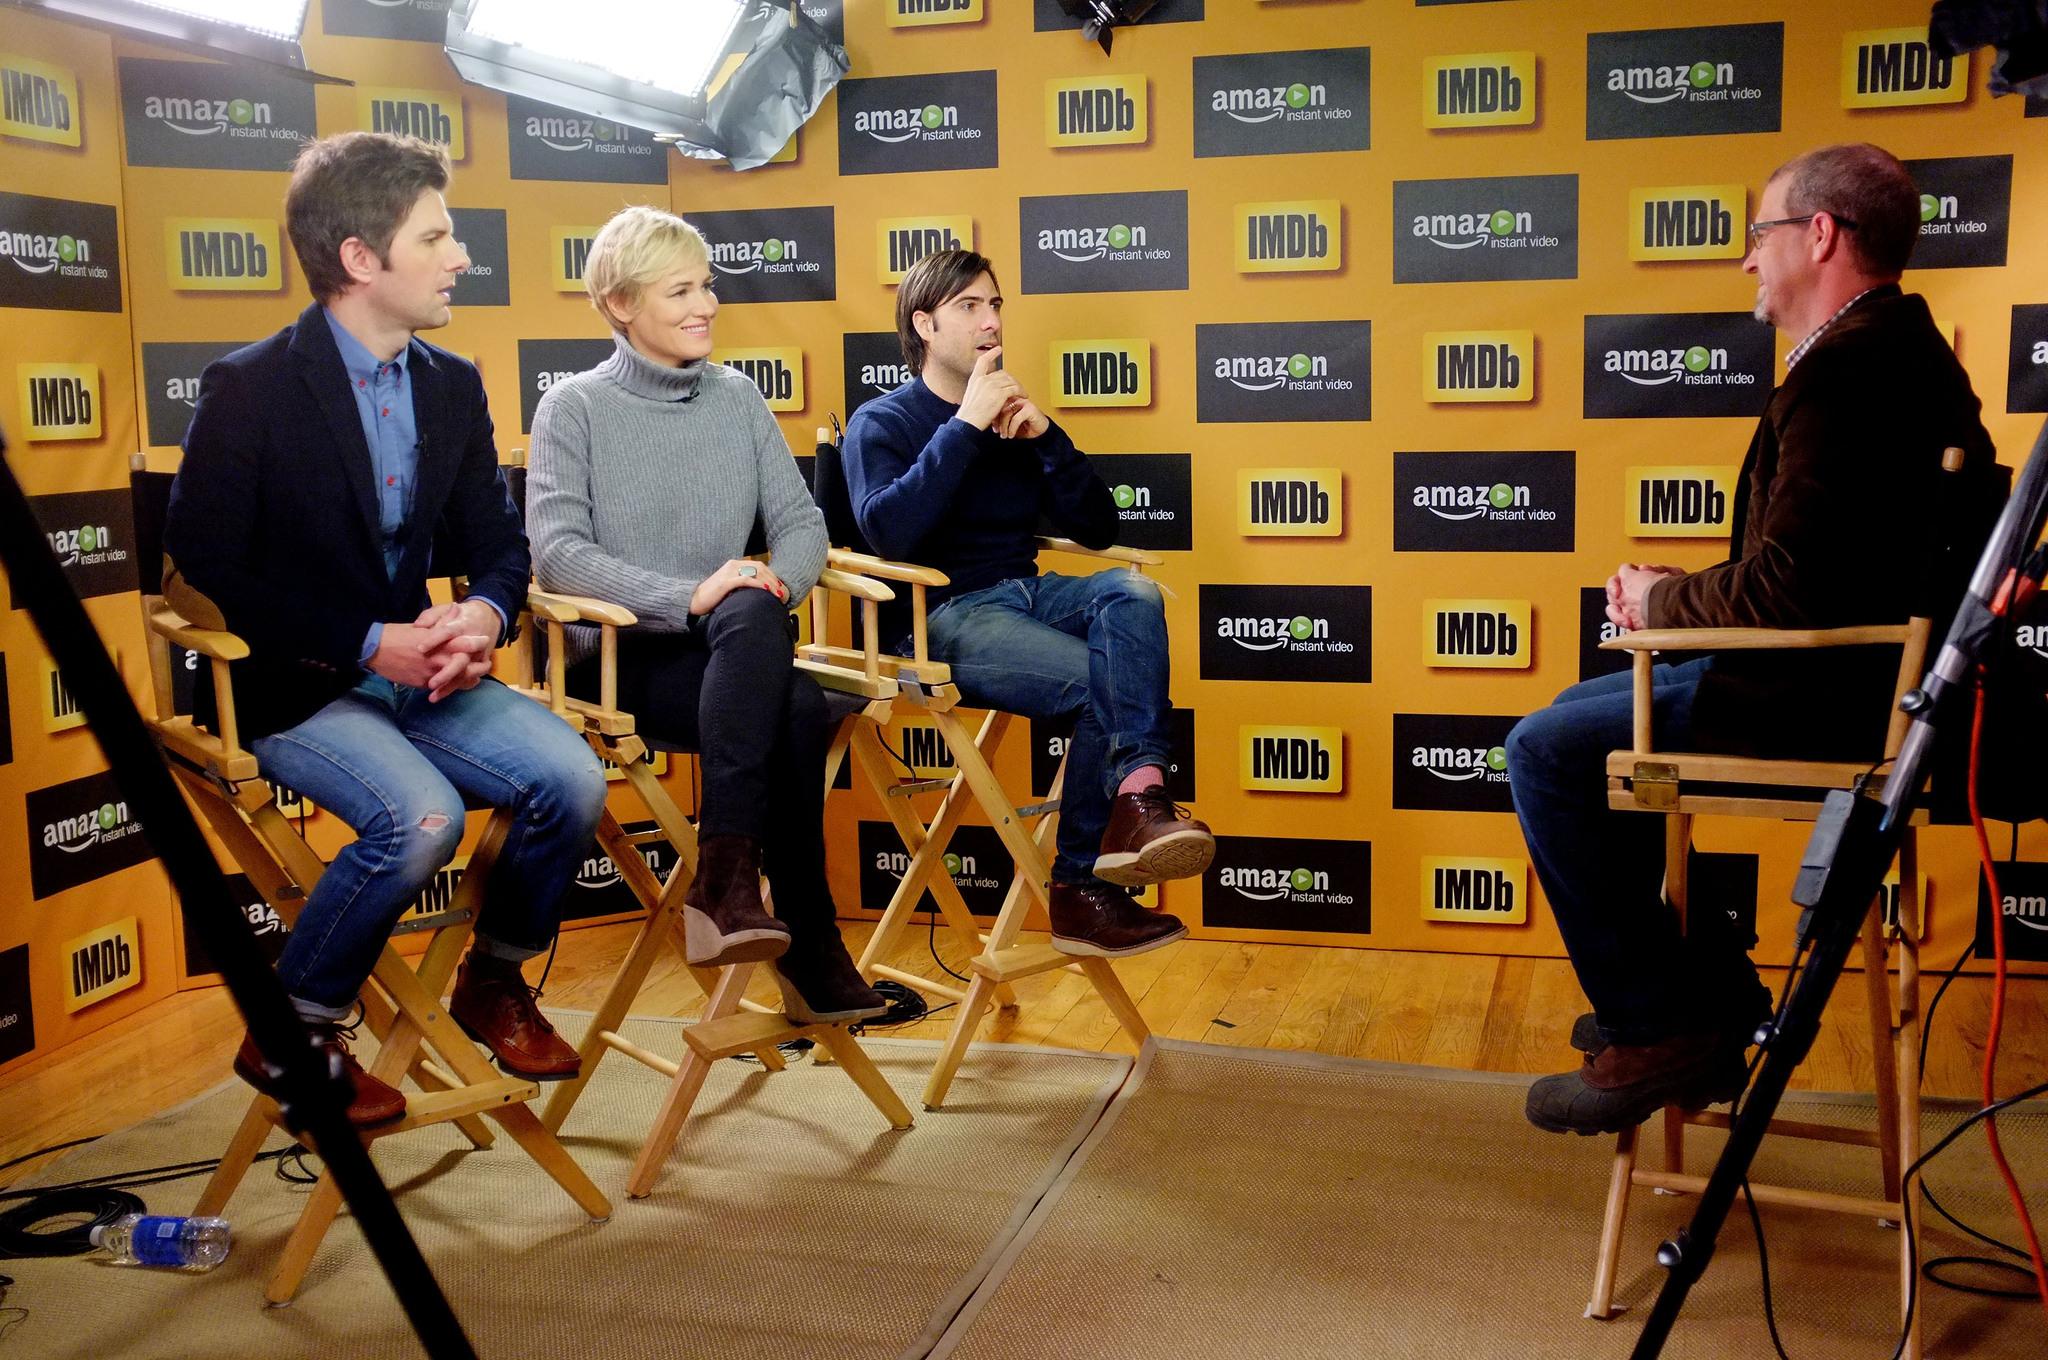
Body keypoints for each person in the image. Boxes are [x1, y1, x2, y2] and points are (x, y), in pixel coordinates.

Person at [1509, 143, 1998, 1136]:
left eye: (1757, 234)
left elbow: (1790, 585)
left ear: (1818, 235)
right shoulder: (1898, 353)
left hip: (1813, 702)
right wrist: (1676, 595)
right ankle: (1706, 997)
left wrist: (1658, 602)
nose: (1744, 261)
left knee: (1543, 752)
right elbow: (1822, 565)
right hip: (1856, 690)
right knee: (1569, 717)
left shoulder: (1848, 373)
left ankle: (1662, 1021)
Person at [165, 132, 608, 1127]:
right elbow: (207, 567)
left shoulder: (449, 383)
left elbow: (500, 541)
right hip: (291, 682)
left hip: (426, 676)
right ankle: (298, 1030)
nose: (460, 256)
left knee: (572, 777)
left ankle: (492, 981)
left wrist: (482, 614)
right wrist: (369, 639)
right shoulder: (248, 386)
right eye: (437, 236)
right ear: (362, 259)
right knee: (419, 818)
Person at [526, 206, 886, 1023]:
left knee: (762, 637)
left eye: (709, 285)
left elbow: (803, 528)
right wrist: (687, 596)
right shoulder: (573, 408)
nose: (708, 303)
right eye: (681, 289)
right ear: (620, 304)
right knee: (790, 700)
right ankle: (809, 943)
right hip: (620, 658)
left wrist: (765, 588)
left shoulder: (737, 398)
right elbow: (560, 556)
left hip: (737, 648)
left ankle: (725, 877)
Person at [840, 249, 1211, 959]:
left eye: (996, 304)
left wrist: (1047, 438)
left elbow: (1099, 528)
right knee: (1105, 681)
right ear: (924, 323)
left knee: (1132, 590)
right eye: (969, 307)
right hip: (940, 616)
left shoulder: (1012, 418)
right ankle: (1079, 889)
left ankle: (1138, 798)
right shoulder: (882, 421)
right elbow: (887, 532)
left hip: (1027, 593)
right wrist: (965, 427)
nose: (991, 322)